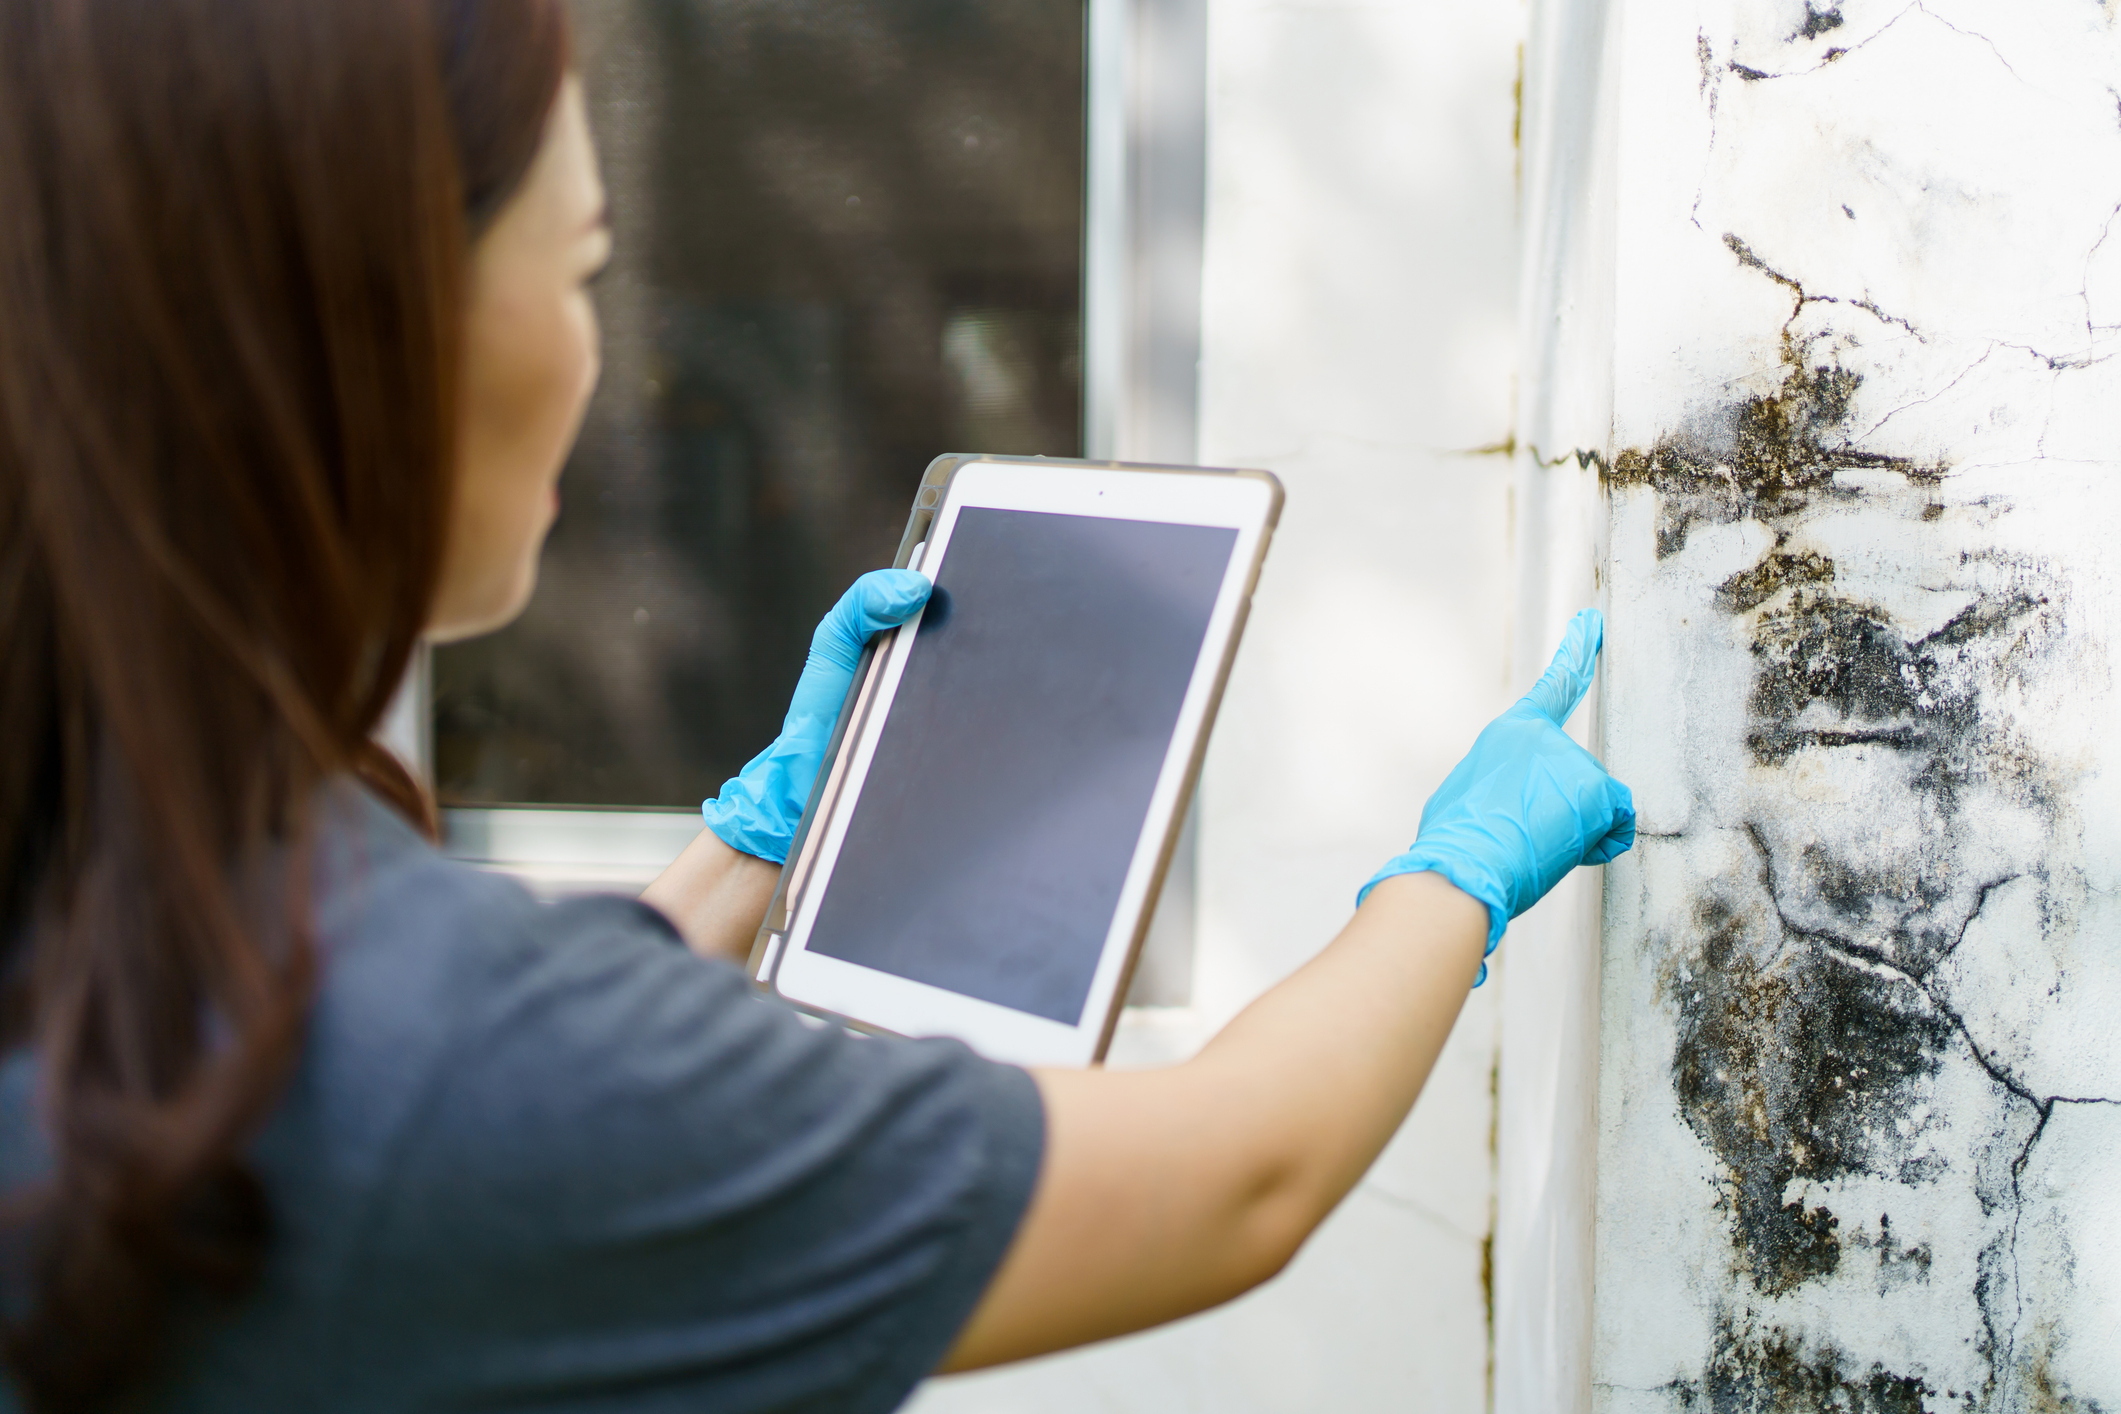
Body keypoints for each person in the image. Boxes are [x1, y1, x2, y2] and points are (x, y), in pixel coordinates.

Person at [0, 2, 1634, 1411]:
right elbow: (1232, 1177)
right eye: (579, 270)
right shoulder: (422, 1057)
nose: (599, 360)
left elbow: (484, 1064)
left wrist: (754, 841)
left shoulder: (113, 861)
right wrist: (1454, 873)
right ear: (364, 331)